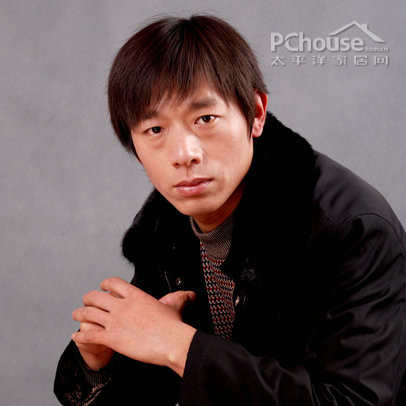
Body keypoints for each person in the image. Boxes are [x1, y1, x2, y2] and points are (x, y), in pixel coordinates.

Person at [54, 14, 406, 405]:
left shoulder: (351, 229)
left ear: (256, 113)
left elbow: (355, 399)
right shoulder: (164, 231)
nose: (184, 154)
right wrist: (98, 362)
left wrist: (180, 345)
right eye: (155, 130)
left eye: (205, 119)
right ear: (133, 145)